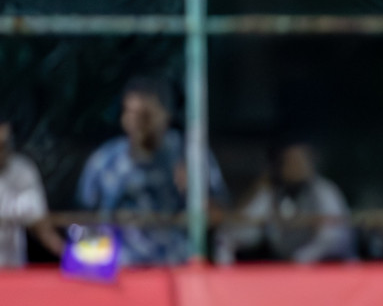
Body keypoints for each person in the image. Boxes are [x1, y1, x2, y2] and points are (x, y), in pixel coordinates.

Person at [76, 77, 227, 266]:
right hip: (119, 274)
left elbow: (220, 217)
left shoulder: (190, 155)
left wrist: (194, 192)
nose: (137, 123)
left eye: (145, 115)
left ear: (165, 115)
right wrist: (90, 273)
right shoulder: (105, 161)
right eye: (130, 113)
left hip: (178, 273)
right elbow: (83, 219)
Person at [215, 142, 354, 264]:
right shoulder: (272, 192)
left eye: (298, 160)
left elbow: (331, 238)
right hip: (287, 270)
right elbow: (237, 232)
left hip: (329, 270)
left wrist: (300, 259)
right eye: (287, 161)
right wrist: (261, 187)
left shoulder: (324, 191)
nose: (292, 166)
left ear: (309, 163)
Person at [0, 115, 64, 267]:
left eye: (5, 145)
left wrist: (70, 256)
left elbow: (42, 226)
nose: (2, 151)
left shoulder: (23, 170)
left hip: (12, 269)